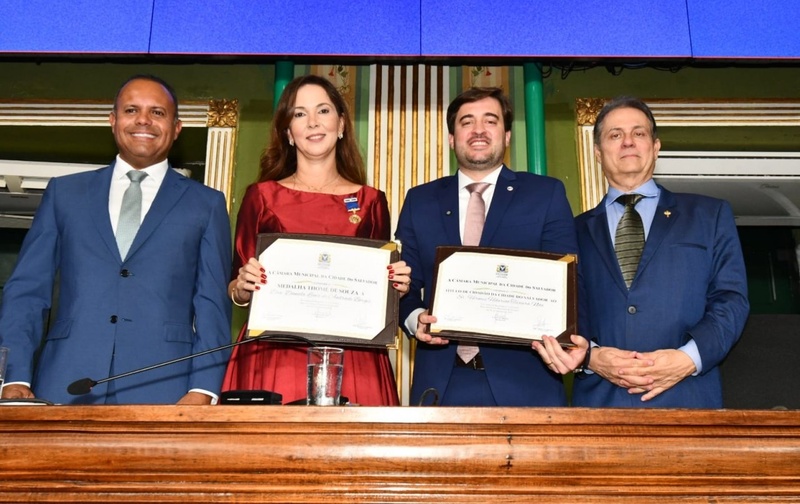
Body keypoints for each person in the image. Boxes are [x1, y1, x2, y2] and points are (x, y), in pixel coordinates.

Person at [0, 75, 233, 405]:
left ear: (177, 128)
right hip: (63, 383)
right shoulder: (64, 194)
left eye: (157, 112)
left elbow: (212, 305)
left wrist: (204, 389)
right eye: (131, 110)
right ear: (113, 121)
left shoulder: (207, 205)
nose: (143, 120)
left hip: (167, 389)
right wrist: (15, 376)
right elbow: (26, 291)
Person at [534, 96, 749, 408]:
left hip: (689, 401)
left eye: (639, 133)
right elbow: (556, 311)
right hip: (600, 406)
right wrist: (591, 357)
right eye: (615, 135)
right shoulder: (570, 231)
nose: (628, 142)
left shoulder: (710, 215)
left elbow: (732, 300)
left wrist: (688, 359)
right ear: (597, 152)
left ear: (656, 146)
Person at [223, 74, 410, 406]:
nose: (312, 122)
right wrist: (241, 288)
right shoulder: (261, 197)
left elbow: (377, 291)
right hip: (275, 353)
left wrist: (394, 287)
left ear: (340, 124)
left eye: (323, 111)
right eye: (299, 114)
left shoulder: (371, 202)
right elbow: (238, 286)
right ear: (288, 133)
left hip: (353, 356)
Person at [395, 87, 579, 406]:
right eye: (467, 122)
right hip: (440, 384)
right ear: (452, 138)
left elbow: (571, 284)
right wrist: (415, 319)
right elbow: (403, 286)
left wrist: (575, 343)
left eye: (490, 121)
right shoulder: (419, 201)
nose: (478, 130)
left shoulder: (544, 194)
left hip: (526, 385)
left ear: (507, 135)